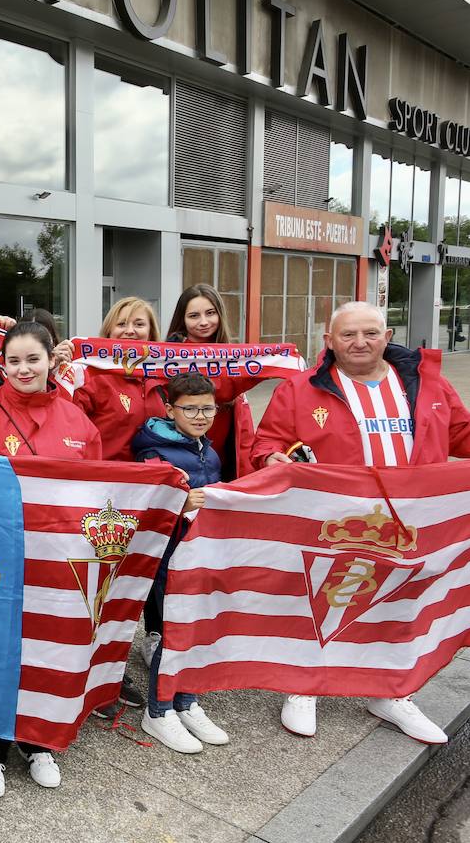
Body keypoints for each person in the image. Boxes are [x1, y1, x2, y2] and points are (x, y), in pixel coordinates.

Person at [254, 301, 470, 743]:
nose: (359, 343)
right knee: (323, 601)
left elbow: (461, 433)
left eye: (370, 333)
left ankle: (391, 692)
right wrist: (271, 458)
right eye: (348, 335)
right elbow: (268, 441)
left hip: (413, 521)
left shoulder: (427, 384)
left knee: (401, 604)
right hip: (335, 523)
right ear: (329, 341)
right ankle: (304, 686)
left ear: (387, 337)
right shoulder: (300, 390)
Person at [0, 321, 102, 795]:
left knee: (47, 650)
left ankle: (39, 742)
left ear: (52, 360)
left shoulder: (77, 420)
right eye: (13, 361)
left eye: (32, 359)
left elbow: (99, 489)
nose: (22, 369)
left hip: (57, 563)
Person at [131, 373, 230, 753]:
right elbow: (146, 502)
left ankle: (187, 702)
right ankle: (158, 711)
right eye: (191, 409)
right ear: (170, 410)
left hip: (202, 551)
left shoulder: (209, 449)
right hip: (168, 554)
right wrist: (178, 503)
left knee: (197, 631)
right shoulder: (152, 451)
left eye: (208, 408)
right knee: (174, 634)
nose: (202, 416)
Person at [163, 284, 258, 479]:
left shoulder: (234, 357)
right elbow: (220, 391)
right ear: (182, 319)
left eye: (210, 313)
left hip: (225, 458)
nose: (204, 322)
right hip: (184, 460)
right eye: (194, 316)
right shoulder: (169, 358)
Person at [70, 296, 163, 462]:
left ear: (151, 332)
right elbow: (69, 426)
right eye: (121, 324)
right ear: (109, 332)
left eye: (139, 324)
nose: (130, 330)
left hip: (153, 480)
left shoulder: (163, 378)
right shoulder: (92, 377)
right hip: (107, 479)